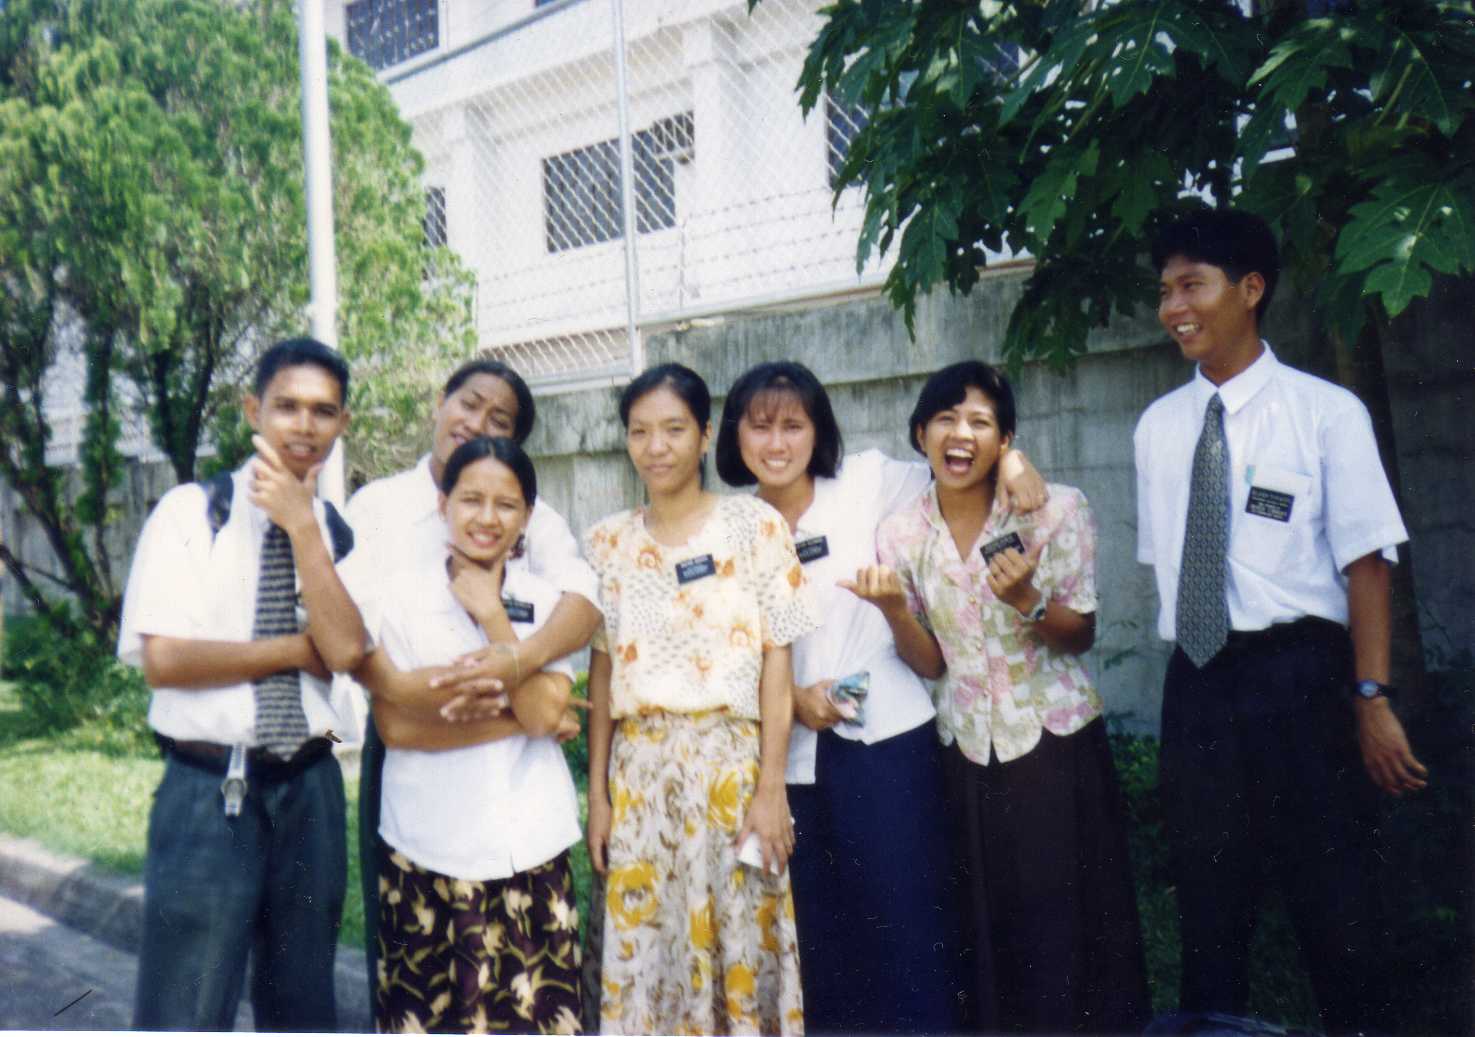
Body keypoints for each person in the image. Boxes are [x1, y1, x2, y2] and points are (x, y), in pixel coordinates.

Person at [1136, 207, 1424, 1033]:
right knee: (1206, 903)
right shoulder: (1157, 428)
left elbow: (1364, 561)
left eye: (1192, 285)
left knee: (1338, 906)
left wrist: (1369, 695)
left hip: (1299, 676)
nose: (1173, 307)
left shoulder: (1324, 413)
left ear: (1250, 289)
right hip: (1195, 682)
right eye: (1164, 291)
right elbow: (1171, 566)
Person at [713, 360, 1046, 1034]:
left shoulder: (866, 480)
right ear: (734, 438)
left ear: (818, 431)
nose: (776, 443)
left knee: (905, 919)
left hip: (887, 742)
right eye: (759, 427)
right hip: (789, 753)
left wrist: (1011, 459)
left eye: (792, 425)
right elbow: (715, 648)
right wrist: (789, 699)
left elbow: (954, 459)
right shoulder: (726, 526)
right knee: (820, 934)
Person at [861, 360, 1149, 1033]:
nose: (960, 435)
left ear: (1005, 440)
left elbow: (1078, 634)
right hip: (964, 747)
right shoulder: (901, 532)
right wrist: (892, 611)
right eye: (945, 418)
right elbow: (930, 659)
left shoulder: (1055, 509)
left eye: (980, 422)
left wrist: (1026, 598)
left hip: (1052, 742)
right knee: (984, 921)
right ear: (919, 430)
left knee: (1064, 914)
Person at [116, 337, 366, 1030]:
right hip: (208, 789)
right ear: (253, 409)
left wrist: (302, 529)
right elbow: (165, 658)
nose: (304, 425)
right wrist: (293, 647)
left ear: (343, 423)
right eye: (286, 406)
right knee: (187, 1001)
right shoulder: (192, 513)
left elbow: (344, 649)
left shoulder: (340, 533)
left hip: (309, 785)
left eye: (323, 410)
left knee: (302, 1000)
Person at [337, 358, 601, 1008]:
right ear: (439, 400)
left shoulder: (533, 532)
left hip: (521, 826)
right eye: (471, 404)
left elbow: (583, 603)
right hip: (418, 793)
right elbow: (382, 688)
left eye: (500, 420)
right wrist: (524, 708)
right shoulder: (379, 508)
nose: (477, 423)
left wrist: (511, 654)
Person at [583, 363, 817, 1035]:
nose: (655, 446)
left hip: (731, 769)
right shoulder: (606, 542)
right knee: (646, 954)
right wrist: (597, 793)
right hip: (639, 775)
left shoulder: (756, 526)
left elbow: (779, 657)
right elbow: (601, 674)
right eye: (640, 431)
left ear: (704, 433)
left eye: (673, 429)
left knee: (736, 945)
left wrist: (771, 784)